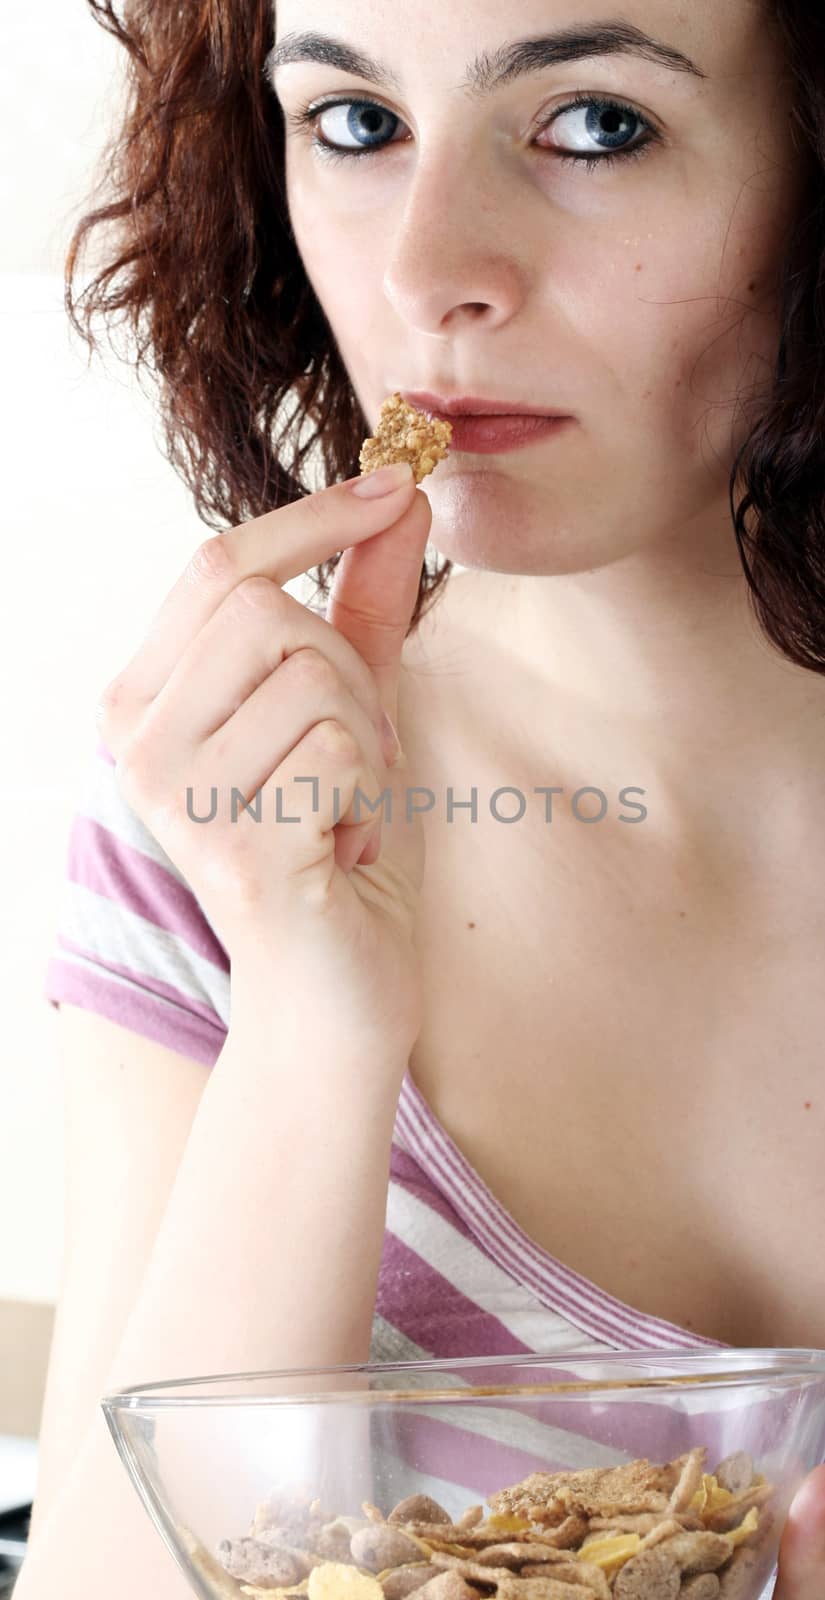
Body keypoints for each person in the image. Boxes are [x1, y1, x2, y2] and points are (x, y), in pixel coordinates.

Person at [18, 0, 825, 1595]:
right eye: (355, 123)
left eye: (595, 124)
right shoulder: (232, 818)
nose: (421, 271)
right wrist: (312, 1019)